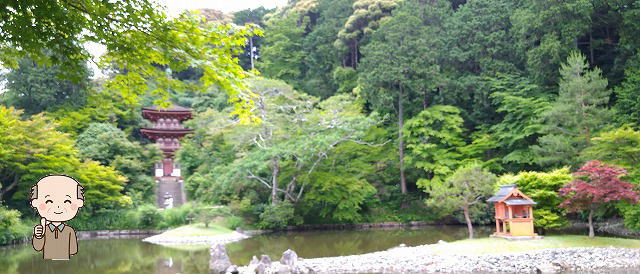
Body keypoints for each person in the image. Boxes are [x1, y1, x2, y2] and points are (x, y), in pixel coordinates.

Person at [29, 175, 84, 260]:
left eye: (67, 201)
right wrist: (38, 236)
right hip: (47, 262)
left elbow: (73, 250)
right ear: (36, 202)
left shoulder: (69, 231)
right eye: (49, 201)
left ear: (78, 203)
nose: (58, 206)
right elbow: (38, 247)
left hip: (65, 262)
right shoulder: (44, 230)